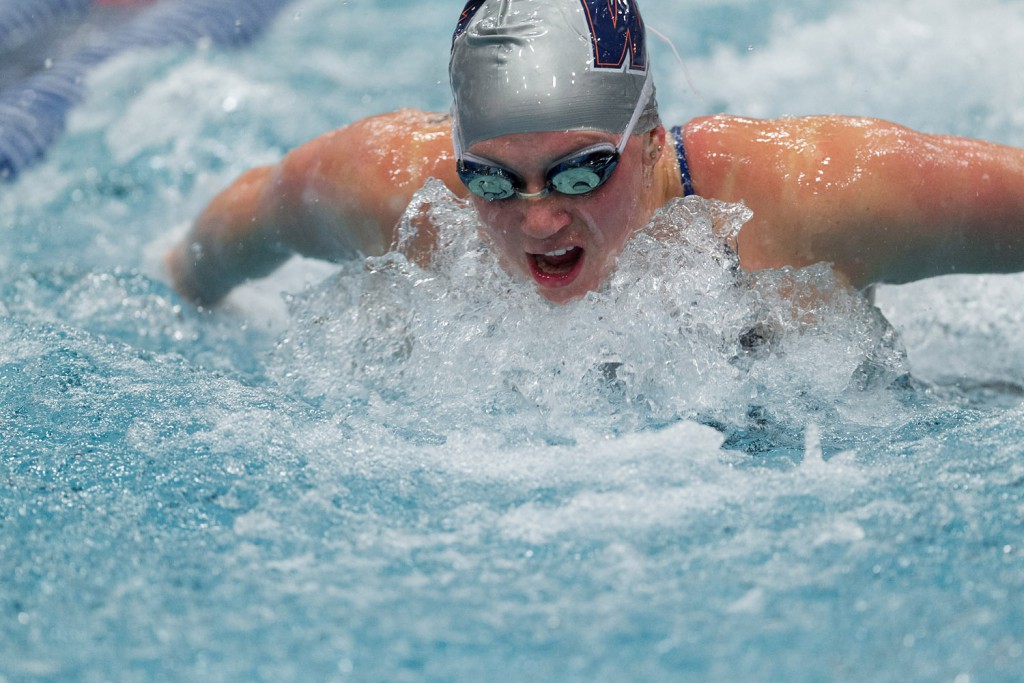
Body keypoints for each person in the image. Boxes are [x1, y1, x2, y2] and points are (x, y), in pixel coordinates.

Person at [166, 0, 1024, 308]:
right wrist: (185, 292)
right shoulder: (389, 188)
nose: (538, 218)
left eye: (582, 171)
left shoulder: (805, 196)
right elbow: (228, 236)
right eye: (492, 180)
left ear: (649, 145)